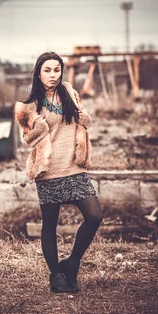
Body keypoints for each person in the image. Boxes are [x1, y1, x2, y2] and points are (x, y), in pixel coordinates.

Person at [14, 51, 103, 294]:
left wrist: (86, 118)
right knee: (49, 225)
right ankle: (56, 275)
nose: (53, 75)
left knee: (94, 216)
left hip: (74, 166)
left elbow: (84, 121)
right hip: (49, 170)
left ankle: (72, 263)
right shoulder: (29, 105)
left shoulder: (70, 92)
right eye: (47, 70)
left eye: (56, 70)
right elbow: (26, 139)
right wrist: (39, 127)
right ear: (38, 73)